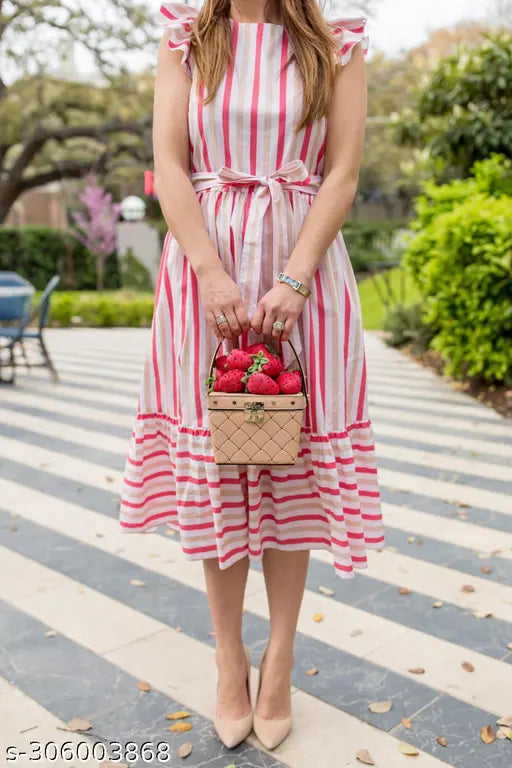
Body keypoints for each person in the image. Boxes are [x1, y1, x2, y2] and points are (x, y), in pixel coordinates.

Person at [119, 0, 385, 752]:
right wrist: (210, 273)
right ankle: (229, 654)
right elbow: (170, 162)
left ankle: (282, 660)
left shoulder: (337, 38)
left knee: (287, 462)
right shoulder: (184, 32)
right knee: (220, 462)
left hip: (304, 271)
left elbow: (344, 169)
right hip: (204, 270)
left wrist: (295, 280)